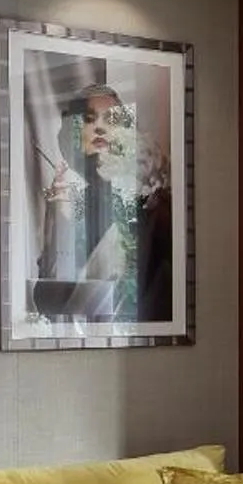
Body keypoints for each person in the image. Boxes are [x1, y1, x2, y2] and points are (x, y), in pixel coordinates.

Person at [34, 82, 171, 324]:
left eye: (111, 119)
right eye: (89, 119)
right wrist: (58, 220)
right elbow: (49, 301)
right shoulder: (75, 205)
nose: (99, 128)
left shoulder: (152, 200)